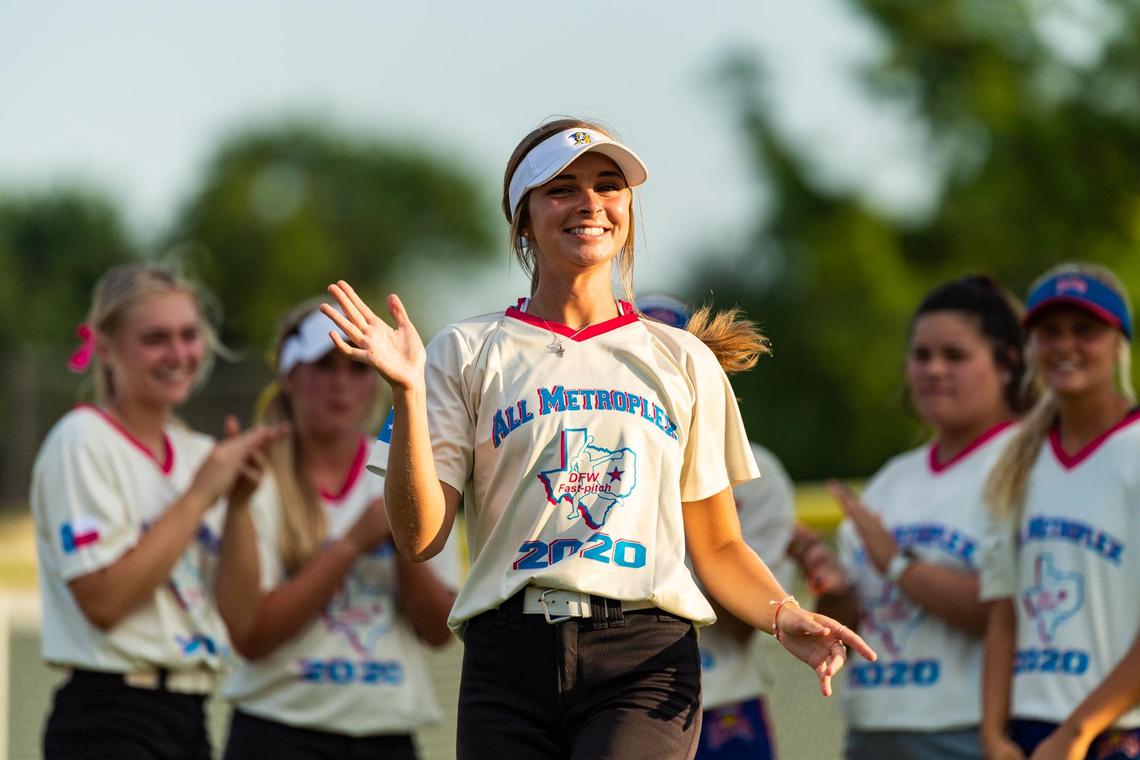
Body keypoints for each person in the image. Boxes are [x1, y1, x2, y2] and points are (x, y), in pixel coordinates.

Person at [321, 117, 875, 759]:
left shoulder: (683, 358)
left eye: (609, 186)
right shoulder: (465, 351)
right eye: (562, 188)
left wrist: (785, 615)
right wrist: (408, 391)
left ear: (629, 211)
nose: (590, 203)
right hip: (508, 658)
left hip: (643, 654)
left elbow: (719, 545)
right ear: (523, 219)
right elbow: (419, 539)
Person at [29, 263, 282, 760]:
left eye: (190, 335)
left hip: (189, 714)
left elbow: (241, 619)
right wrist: (199, 497)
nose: (179, 354)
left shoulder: (196, 451)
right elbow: (103, 602)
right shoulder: (82, 441)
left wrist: (237, 507)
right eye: (155, 339)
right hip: (107, 717)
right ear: (105, 347)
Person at [790, 275, 1032, 759]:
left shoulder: (1028, 463)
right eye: (921, 356)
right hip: (875, 730)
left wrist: (898, 563)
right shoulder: (893, 479)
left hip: (969, 732)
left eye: (955, 355)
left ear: (1008, 364)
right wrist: (832, 586)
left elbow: (1014, 613)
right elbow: (857, 618)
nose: (933, 370)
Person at [217, 301, 459, 760]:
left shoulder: (409, 472)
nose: (342, 383)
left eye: (356, 367)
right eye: (324, 366)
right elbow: (252, 635)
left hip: (386, 735)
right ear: (289, 377)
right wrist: (352, 543)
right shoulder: (255, 476)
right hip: (276, 733)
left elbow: (437, 630)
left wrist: (401, 539)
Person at [979, 263, 1140, 760]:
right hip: (1030, 733)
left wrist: (1076, 732)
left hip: (1115, 729)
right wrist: (993, 734)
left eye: (1085, 330)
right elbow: (1004, 613)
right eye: (1049, 332)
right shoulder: (1016, 460)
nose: (1065, 345)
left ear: (1119, 343)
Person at [639, 294, 797, 760]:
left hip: (723, 702)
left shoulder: (756, 472)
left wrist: (681, 504)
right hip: (619, 698)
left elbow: (748, 621)